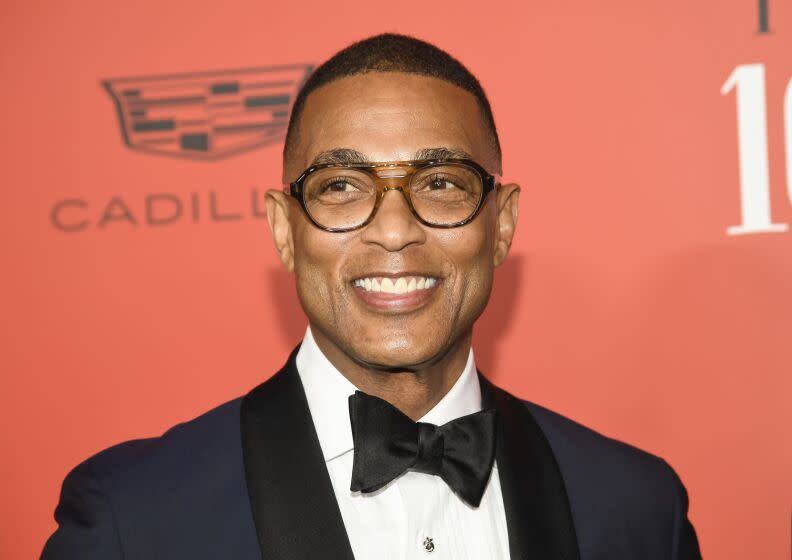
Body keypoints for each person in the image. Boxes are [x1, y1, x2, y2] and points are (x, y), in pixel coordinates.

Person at [41, 33, 702, 560]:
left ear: (500, 226)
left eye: (442, 182)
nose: (394, 230)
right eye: (341, 186)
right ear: (285, 230)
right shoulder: (135, 518)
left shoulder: (636, 508)